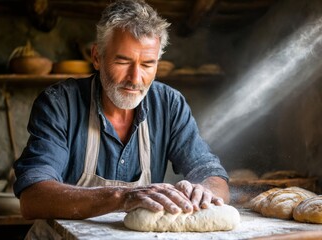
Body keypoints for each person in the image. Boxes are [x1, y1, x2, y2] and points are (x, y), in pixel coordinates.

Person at [13, 0, 230, 223]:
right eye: (123, 61)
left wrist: (205, 191)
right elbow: (32, 199)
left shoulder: (169, 104)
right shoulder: (60, 104)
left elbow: (212, 174)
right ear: (97, 57)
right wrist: (122, 197)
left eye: (147, 64)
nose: (135, 79)